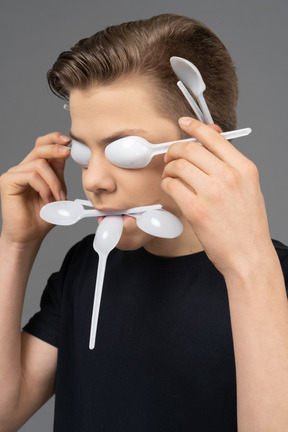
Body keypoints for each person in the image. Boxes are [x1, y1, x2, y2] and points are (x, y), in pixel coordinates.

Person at [0, 13, 288, 432]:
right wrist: (16, 245)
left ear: (206, 145)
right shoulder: (86, 267)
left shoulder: (275, 278)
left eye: (124, 152)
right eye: (83, 152)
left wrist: (249, 265)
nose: (94, 180)